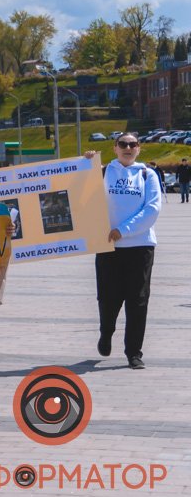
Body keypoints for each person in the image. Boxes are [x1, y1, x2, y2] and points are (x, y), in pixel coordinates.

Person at [94, 134, 162, 369]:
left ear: (139, 149)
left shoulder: (147, 175)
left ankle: (134, 352)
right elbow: (76, 191)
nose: (128, 148)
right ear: (114, 148)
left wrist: (123, 230)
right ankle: (106, 332)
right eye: (123, 144)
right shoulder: (102, 173)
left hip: (140, 247)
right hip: (107, 247)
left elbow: (152, 208)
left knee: (138, 300)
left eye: (133, 144)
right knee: (107, 298)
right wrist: (84, 165)